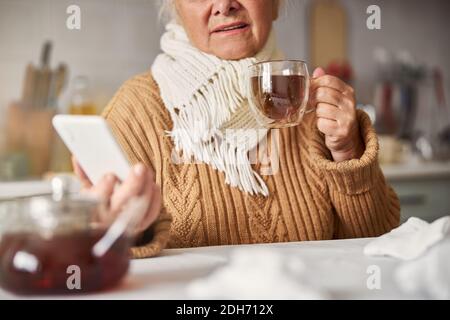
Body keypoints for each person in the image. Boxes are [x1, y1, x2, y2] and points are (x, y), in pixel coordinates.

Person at [73, 0, 400, 259]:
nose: (224, 4)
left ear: (274, 4)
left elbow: (378, 248)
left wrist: (347, 151)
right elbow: (102, 259)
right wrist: (125, 231)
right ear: (177, 10)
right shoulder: (136, 111)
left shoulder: (310, 102)